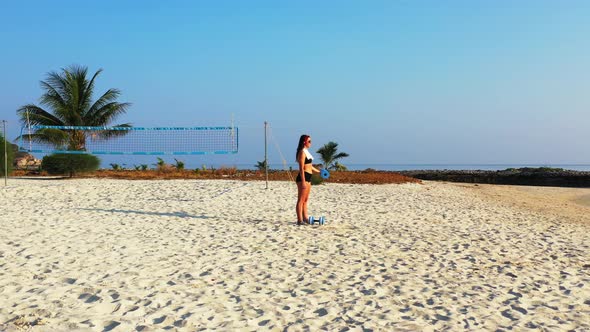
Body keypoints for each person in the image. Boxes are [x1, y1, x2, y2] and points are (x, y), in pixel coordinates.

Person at [295, 134, 321, 225]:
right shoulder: (302, 152)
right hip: (303, 177)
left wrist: (319, 172)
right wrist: (303, 182)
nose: (311, 143)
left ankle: (305, 218)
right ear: (304, 142)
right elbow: (301, 168)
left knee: (306, 199)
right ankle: (299, 220)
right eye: (309, 141)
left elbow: (310, 166)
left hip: (309, 177)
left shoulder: (307, 152)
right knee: (301, 200)